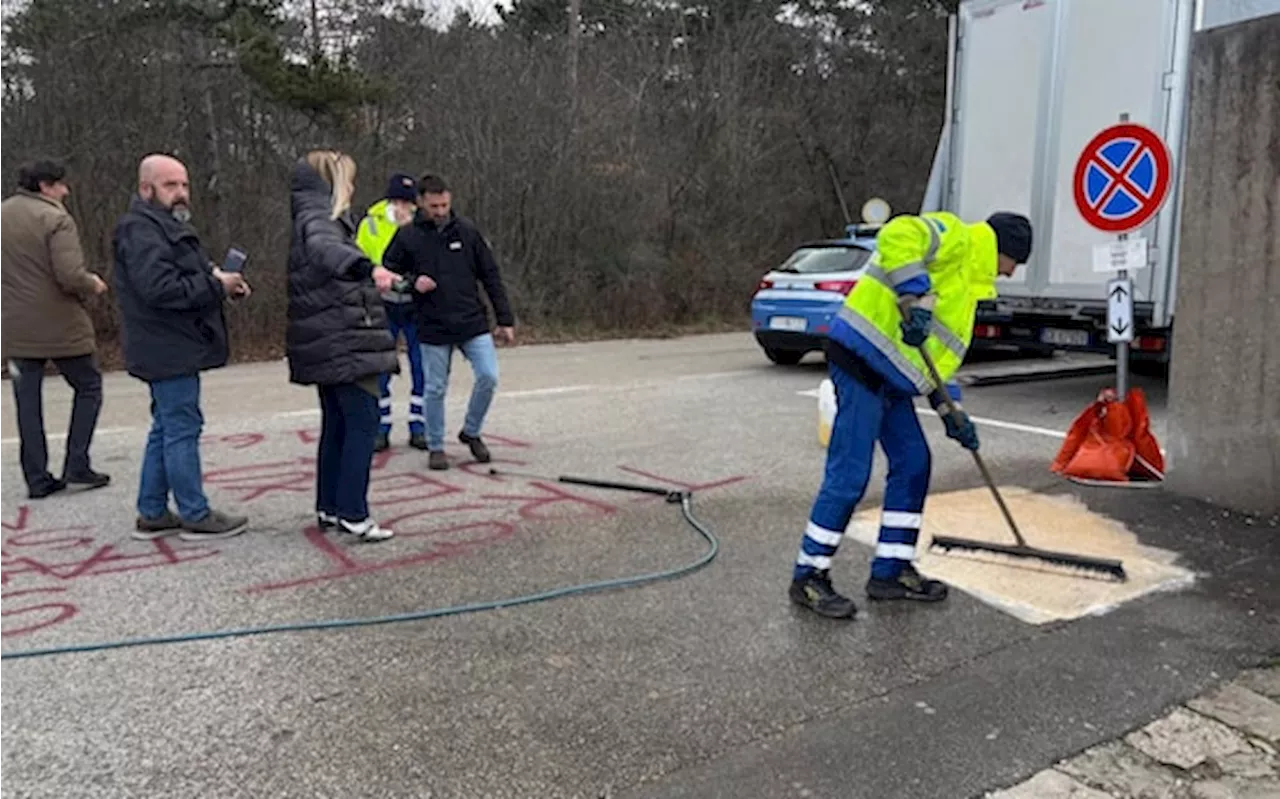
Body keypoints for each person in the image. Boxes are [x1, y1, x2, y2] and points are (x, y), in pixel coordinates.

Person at [788, 210, 1033, 619]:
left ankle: (891, 571)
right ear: (1004, 251)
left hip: (891, 379)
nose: (1011, 274)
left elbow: (934, 360)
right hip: (859, 361)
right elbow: (897, 232)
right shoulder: (956, 238)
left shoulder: (970, 288)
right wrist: (913, 294)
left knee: (914, 462)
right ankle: (809, 575)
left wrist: (948, 410)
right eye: (1015, 264)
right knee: (850, 475)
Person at [112, 153, 252, 540]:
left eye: (184, 185)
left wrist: (222, 281)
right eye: (170, 185)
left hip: (173, 343)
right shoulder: (140, 229)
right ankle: (195, 513)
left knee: (167, 425)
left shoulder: (163, 225)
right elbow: (159, 288)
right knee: (181, 427)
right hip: (165, 345)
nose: (181, 193)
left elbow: (184, 272)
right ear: (146, 189)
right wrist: (214, 286)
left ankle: (153, 510)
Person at [285, 149, 401, 541]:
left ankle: (331, 506)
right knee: (361, 423)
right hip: (344, 340)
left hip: (330, 338)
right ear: (332, 183)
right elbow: (325, 250)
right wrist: (368, 267)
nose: (352, 188)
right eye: (348, 180)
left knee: (337, 424)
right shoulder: (321, 220)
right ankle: (353, 511)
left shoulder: (312, 217)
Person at [382, 174, 516, 472]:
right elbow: (387, 273)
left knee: (488, 376)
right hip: (432, 324)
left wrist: (504, 319)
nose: (440, 211)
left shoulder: (467, 231)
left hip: (471, 320)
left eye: (444, 205)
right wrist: (413, 283)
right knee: (435, 388)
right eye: (434, 206)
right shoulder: (407, 236)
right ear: (421, 202)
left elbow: (490, 275)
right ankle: (436, 446)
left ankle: (471, 430)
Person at [0, 159, 110, 499]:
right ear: (46, 186)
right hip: (61, 323)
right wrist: (91, 284)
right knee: (88, 386)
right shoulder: (56, 219)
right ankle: (77, 462)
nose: (66, 190)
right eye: (61, 184)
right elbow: (68, 273)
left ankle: (37, 478)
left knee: (27, 402)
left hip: (15, 326)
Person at [355, 171, 426, 452]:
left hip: (414, 305)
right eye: (397, 200)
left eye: (408, 202)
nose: (402, 207)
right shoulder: (371, 224)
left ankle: (418, 426)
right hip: (381, 304)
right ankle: (380, 428)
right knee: (381, 369)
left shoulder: (423, 225)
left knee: (422, 368)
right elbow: (358, 261)